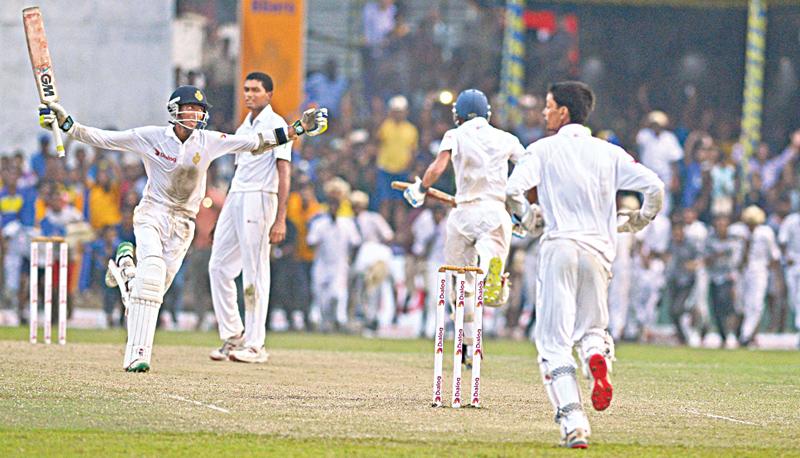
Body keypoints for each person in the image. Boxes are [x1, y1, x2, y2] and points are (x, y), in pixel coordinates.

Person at [38, 85, 327, 372]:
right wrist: (67, 124)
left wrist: (297, 129)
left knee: (151, 294)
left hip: (183, 223)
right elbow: (105, 139)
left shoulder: (208, 140)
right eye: (189, 107)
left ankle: (126, 267)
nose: (194, 113)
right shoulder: (151, 137)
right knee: (150, 274)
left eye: (199, 109)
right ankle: (138, 356)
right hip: (152, 214)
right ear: (175, 109)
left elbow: (255, 142)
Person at [506, 81, 664, 448]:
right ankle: (596, 357)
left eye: (548, 106)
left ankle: (574, 424)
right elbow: (655, 186)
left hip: (559, 246)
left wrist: (528, 218)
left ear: (563, 112)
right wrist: (640, 219)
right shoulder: (609, 152)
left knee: (553, 343)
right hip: (598, 252)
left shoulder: (541, 149)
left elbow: (512, 191)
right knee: (593, 328)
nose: (543, 113)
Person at [403, 88, 525, 364]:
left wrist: (421, 189)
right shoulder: (506, 138)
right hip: (495, 212)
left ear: (457, 115)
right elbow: (529, 167)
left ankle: (469, 346)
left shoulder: (454, 135)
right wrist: (519, 209)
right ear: (488, 113)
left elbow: (437, 167)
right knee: (489, 287)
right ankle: (496, 278)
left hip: (464, 212)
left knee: (461, 286)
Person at [208, 72, 296, 364]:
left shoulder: (276, 125)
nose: (249, 95)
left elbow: (284, 172)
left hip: (261, 196)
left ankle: (256, 345)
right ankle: (234, 335)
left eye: (256, 90)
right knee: (218, 265)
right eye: (246, 89)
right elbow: (239, 172)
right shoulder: (244, 126)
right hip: (237, 194)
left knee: (255, 270)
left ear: (269, 94)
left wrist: (280, 217)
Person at [730, 205, 781, 347]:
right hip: (741, 270)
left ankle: (746, 335)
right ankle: (743, 332)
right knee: (740, 305)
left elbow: (774, 256)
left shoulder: (766, 233)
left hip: (758, 270)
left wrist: (776, 279)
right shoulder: (737, 231)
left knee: (756, 304)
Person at [778, 208, 800, 347]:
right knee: (794, 300)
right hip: (793, 264)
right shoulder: (790, 220)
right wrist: (786, 257)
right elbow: (782, 241)